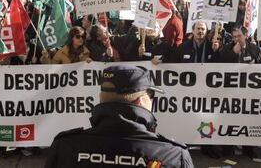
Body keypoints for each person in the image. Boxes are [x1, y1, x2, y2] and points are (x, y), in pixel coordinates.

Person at [45, 65, 194, 168]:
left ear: (100, 98)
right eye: (151, 95)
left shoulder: (64, 145)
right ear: (141, 101)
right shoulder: (173, 154)